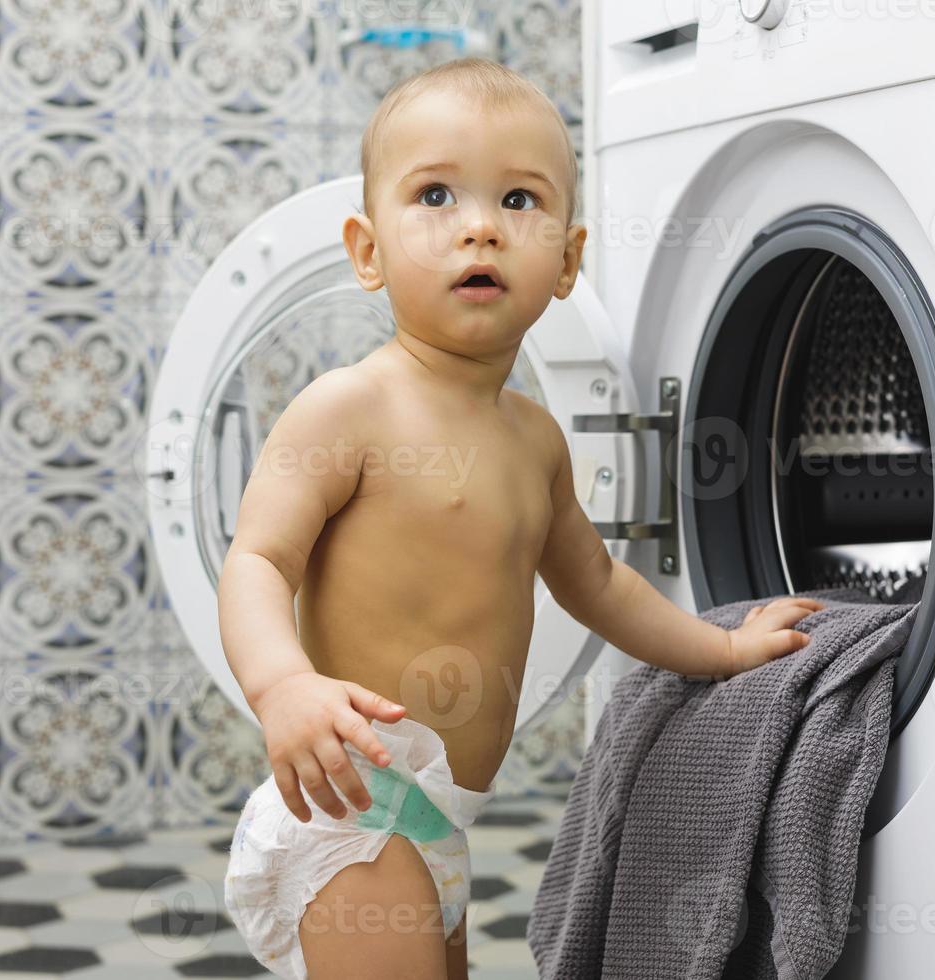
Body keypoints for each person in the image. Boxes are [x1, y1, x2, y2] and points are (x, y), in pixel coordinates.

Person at [218, 56, 824, 980]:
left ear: (569, 261)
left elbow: (600, 583)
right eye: (434, 195)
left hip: (441, 820)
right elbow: (258, 561)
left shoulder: (534, 439)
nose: (478, 229)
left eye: (517, 201)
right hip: (355, 806)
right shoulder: (347, 410)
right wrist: (282, 689)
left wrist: (727, 651)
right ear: (368, 251)